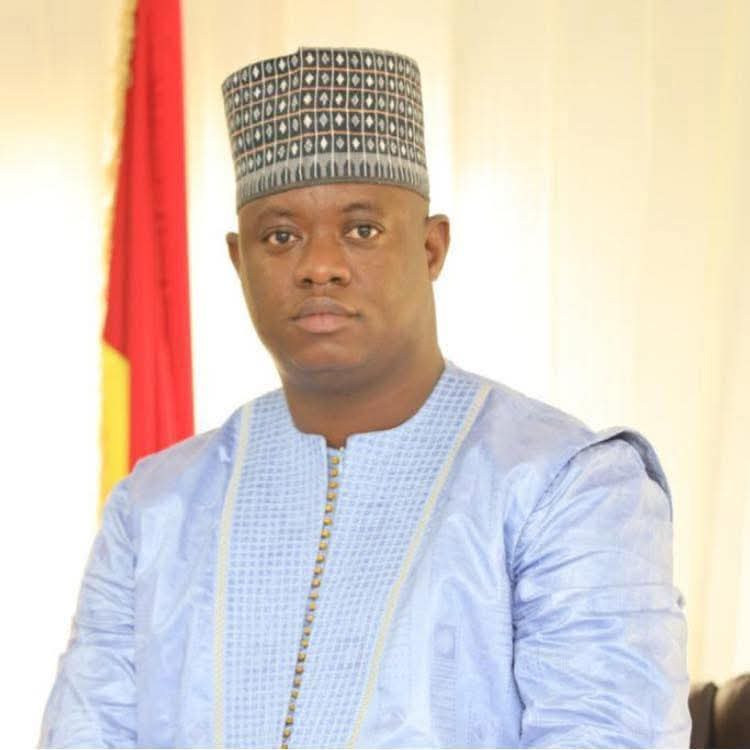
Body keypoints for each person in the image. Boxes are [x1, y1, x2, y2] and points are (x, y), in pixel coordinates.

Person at [40, 47, 691, 748]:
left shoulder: (567, 487)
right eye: (281, 236)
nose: (320, 266)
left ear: (432, 248)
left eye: (362, 230)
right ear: (238, 260)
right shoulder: (154, 509)